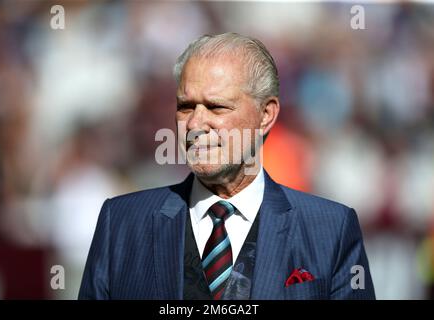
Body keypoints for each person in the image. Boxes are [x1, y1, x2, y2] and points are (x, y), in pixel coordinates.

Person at [78, 32, 375, 300]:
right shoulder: (121, 225)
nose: (195, 123)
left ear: (265, 115)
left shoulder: (330, 231)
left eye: (217, 107)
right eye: (185, 106)